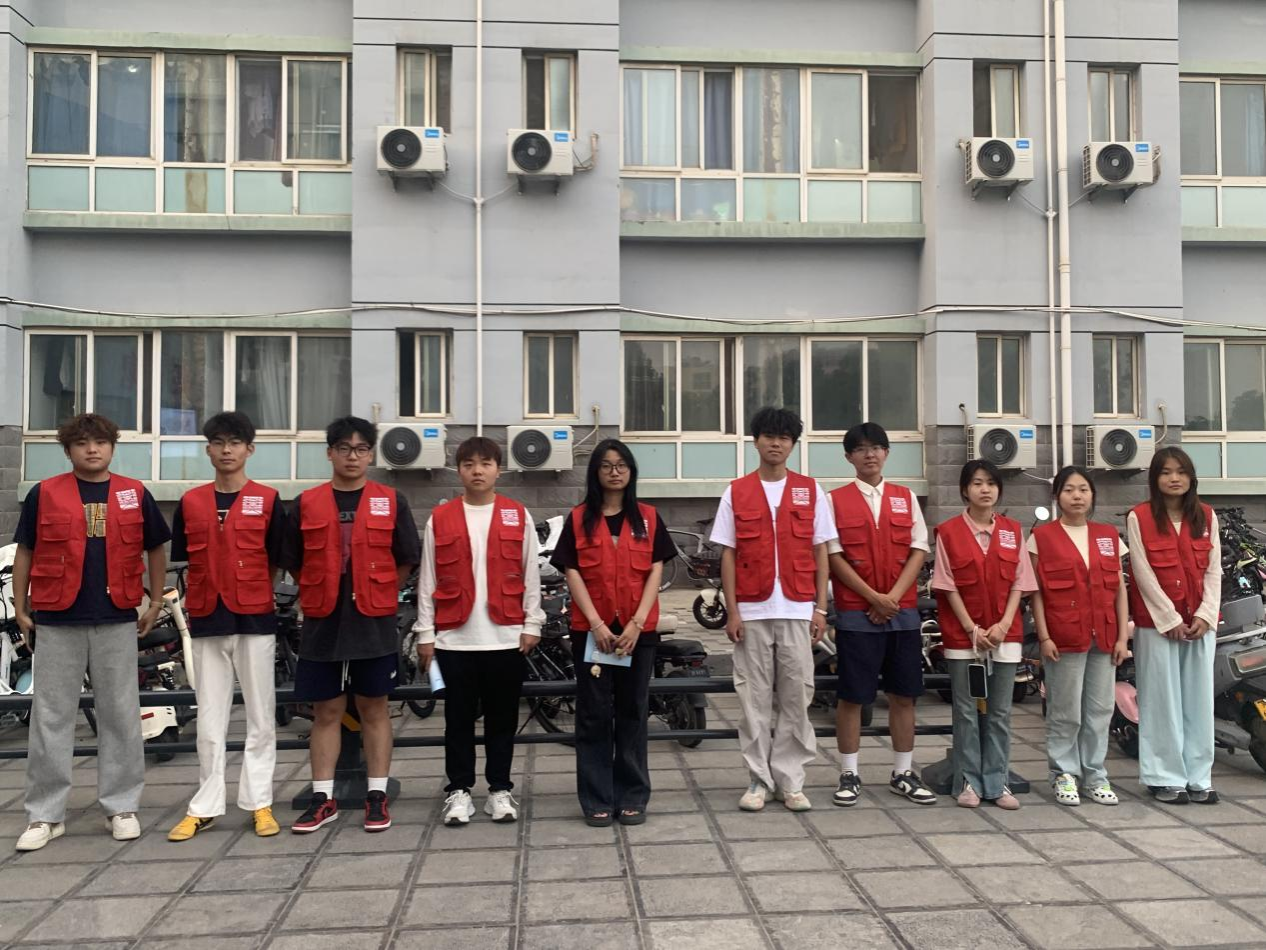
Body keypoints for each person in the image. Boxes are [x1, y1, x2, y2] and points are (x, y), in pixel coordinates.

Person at [11, 413, 170, 851]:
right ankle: (45, 815)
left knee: (121, 714)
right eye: (82, 443)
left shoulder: (135, 492)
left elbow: (156, 548)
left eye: (100, 441)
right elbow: (26, 550)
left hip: (116, 616)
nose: (92, 449)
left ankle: (122, 807)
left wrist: (156, 601)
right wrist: (20, 607)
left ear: (113, 447)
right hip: (57, 618)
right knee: (50, 717)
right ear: (68, 451)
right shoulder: (45, 493)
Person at [282, 416, 419, 833]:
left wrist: (381, 591)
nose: (352, 456)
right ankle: (323, 798)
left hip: (372, 620)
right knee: (326, 710)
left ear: (371, 455)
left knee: (375, 707)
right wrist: (318, 587)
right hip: (322, 619)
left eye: (361, 449)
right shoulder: (306, 503)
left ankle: (376, 795)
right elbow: (292, 560)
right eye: (344, 448)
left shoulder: (391, 500)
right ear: (330, 453)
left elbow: (407, 557)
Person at [167, 412, 287, 841]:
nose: (226, 450)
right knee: (209, 718)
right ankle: (205, 806)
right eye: (218, 443)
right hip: (207, 616)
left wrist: (255, 590)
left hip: (254, 617)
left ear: (249, 449)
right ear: (208, 450)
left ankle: (260, 803)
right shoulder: (190, 502)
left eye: (235, 442)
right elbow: (185, 558)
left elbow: (276, 560)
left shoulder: (269, 500)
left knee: (261, 716)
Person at [414, 437, 544, 827]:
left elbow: (531, 572)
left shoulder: (516, 514)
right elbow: (427, 579)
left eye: (485, 463)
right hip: (454, 639)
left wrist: (532, 623)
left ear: (498, 470)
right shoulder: (441, 518)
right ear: (458, 470)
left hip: (507, 636)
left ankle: (500, 790)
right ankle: (459, 791)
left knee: (503, 720)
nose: (477, 471)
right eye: (469, 463)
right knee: (457, 721)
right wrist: (425, 633)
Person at [710, 407, 833, 812]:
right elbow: (728, 554)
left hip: (798, 608)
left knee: (797, 697)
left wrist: (820, 609)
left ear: (793, 444)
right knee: (753, 701)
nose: (776, 443)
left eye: (784, 437)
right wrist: (732, 610)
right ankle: (758, 780)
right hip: (752, 609)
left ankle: (791, 780)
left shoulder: (810, 490)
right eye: (769, 436)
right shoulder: (736, 491)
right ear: (756, 441)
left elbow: (821, 550)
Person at [551, 439, 676, 826]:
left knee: (633, 712)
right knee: (593, 715)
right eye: (606, 465)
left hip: (637, 634)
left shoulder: (648, 518)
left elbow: (656, 570)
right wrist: (596, 624)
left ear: (631, 471)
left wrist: (636, 624)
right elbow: (571, 571)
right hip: (593, 632)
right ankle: (597, 798)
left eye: (621, 465)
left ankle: (632, 795)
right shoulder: (578, 519)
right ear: (595, 473)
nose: (614, 472)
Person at [829, 422, 935, 806]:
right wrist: (873, 597)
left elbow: (918, 550)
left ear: (887, 453)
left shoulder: (906, 498)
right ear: (849, 457)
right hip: (856, 614)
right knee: (853, 697)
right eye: (860, 449)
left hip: (902, 613)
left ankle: (903, 772)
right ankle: (849, 773)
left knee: (904, 695)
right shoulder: (833, 501)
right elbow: (833, 555)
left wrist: (890, 598)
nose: (869, 454)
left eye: (876, 447)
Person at [932, 460, 1038, 809]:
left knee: (1000, 711)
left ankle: (997, 781)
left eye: (991, 483)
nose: (985, 489)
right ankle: (968, 782)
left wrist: (1004, 625)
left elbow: (1020, 582)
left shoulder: (1012, 531)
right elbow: (947, 585)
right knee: (966, 710)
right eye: (977, 483)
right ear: (965, 490)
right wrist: (972, 629)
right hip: (964, 637)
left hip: (1005, 635)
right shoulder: (948, 532)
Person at [1029, 466, 1129, 807]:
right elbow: (1036, 592)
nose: (1077, 496)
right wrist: (1044, 637)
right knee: (1065, 711)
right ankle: (1064, 774)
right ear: (1057, 496)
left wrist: (1122, 638)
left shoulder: (1107, 535)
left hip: (1104, 637)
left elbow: (1119, 590)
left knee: (1100, 710)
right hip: (1063, 637)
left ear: (1092, 495)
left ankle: (1095, 775)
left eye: (1083, 489)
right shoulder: (1042, 537)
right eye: (1069, 489)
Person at [1126, 448, 1221, 805]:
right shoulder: (1139, 517)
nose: (1174, 478)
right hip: (1156, 626)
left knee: (1199, 701)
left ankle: (1199, 777)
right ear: (1155, 479)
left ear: (1191, 477)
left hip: (1200, 625)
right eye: (1166, 472)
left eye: (1180, 472)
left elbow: (1214, 570)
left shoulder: (1207, 516)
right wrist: (1169, 618)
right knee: (1161, 701)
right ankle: (1164, 777)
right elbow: (1142, 572)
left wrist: (1205, 615)